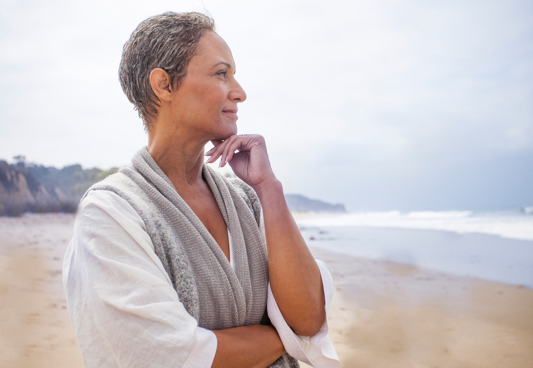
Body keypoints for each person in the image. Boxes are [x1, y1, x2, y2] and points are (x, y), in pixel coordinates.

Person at [63, 12, 339, 368]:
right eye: (221, 73)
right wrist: (286, 336)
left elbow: (308, 318)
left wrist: (269, 187)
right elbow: (170, 355)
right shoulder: (111, 213)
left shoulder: (246, 200)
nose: (239, 92)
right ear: (163, 85)